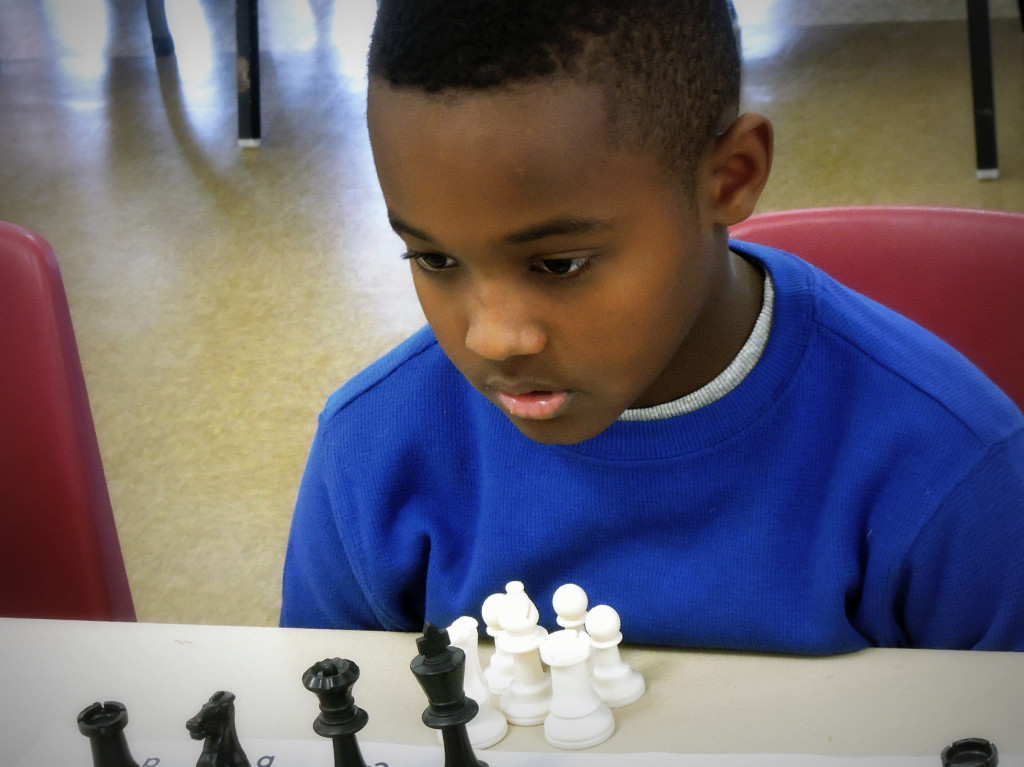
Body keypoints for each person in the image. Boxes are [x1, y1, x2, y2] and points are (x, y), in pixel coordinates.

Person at [280, 0, 1024, 653]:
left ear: (729, 178)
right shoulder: (370, 457)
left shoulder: (951, 472)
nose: (493, 338)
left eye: (560, 264)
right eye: (434, 259)